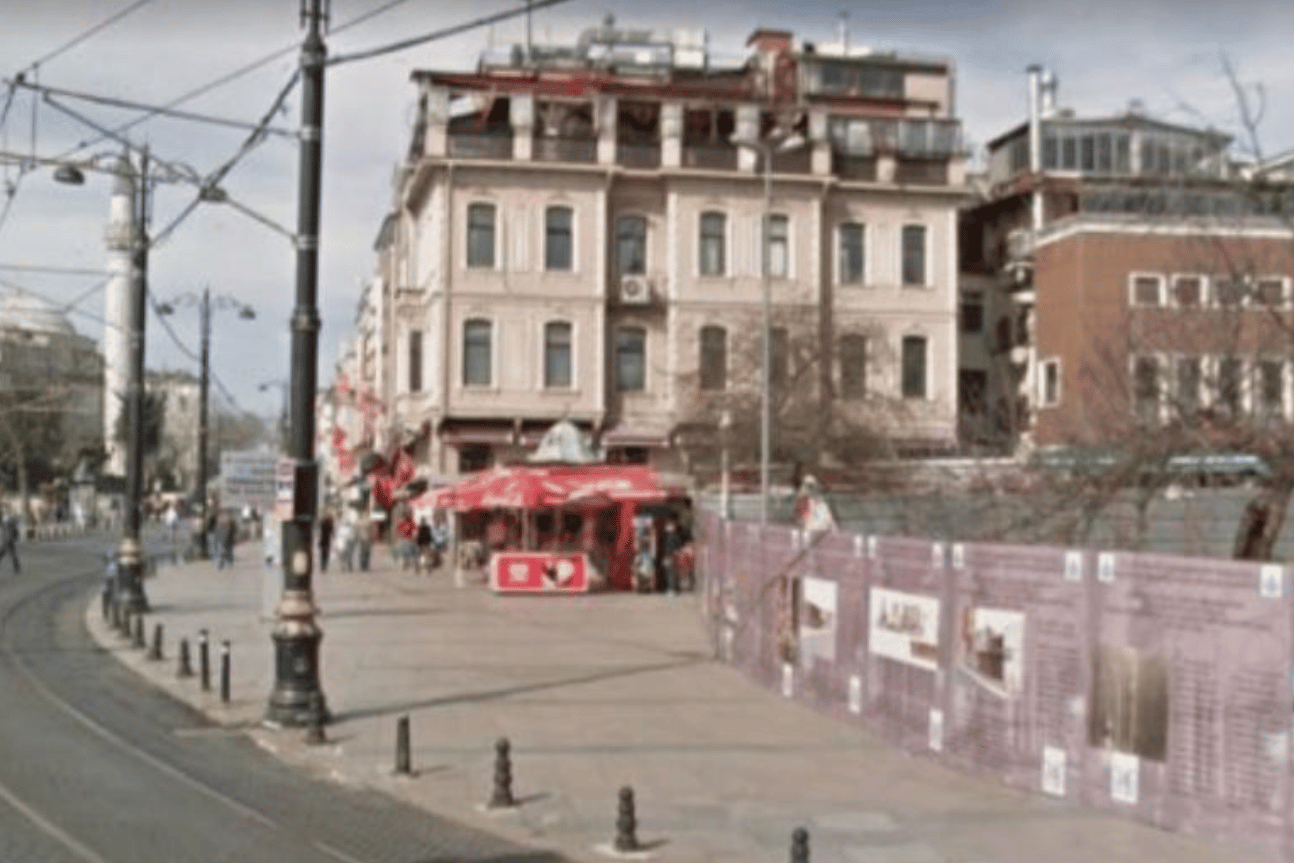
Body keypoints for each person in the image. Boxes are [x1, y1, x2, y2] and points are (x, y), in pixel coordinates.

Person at [660, 517, 683, 595]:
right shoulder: (667, 536)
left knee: (671, 573)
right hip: (667, 556)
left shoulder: (675, 536)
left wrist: (675, 553)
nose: (668, 527)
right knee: (668, 573)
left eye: (670, 525)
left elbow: (678, 547)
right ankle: (671, 588)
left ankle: (672, 589)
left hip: (672, 556)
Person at [0, 510, 20, 574]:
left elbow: (15, 535)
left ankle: (17, 568)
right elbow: (16, 535)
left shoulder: (6, 523)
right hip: (9, 541)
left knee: (4, 554)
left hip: (8, 542)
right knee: (12, 555)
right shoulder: (6, 524)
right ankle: (17, 568)